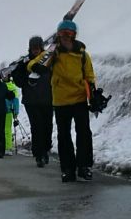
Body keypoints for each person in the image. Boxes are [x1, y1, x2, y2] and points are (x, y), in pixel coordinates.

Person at [32, 20, 95, 183]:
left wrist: (93, 93)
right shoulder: (53, 53)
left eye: (69, 34)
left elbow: (89, 76)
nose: (66, 37)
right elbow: (34, 62)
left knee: (84, 134)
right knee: (64, 136)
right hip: (61, 101)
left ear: (74, 36)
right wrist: (36, 67)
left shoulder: (82, 54)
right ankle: (68, 169)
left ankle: (84, 167)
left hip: (79, 98)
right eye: (62, 34)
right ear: (58, 36)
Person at [11, 35, 54, 167]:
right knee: (37, 127)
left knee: (47, 127)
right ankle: (38, 155)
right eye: (33, 47)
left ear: (41, 47)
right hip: (31, 100)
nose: (35, 50)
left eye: (37, 47)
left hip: (48, 99)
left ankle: (46, 149)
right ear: (30, 48)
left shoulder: (49, 59)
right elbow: (17, 79)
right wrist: (26, 80)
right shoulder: (24, 62)